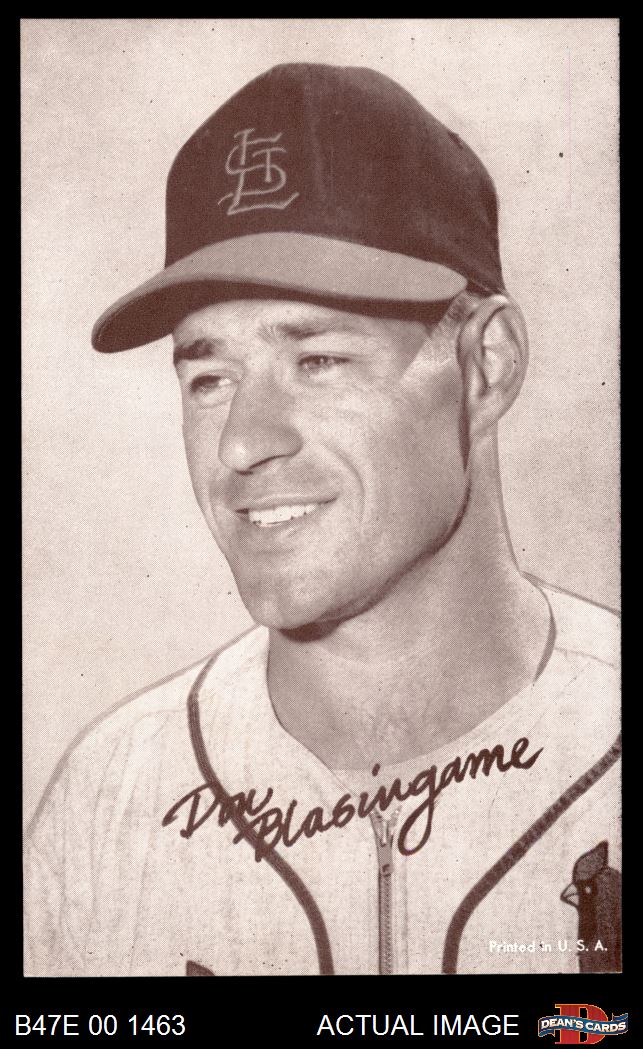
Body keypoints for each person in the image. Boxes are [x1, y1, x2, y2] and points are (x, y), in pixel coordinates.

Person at [24, 63, 620, 977]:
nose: (241, 443)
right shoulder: (108, 802)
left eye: (319, 360)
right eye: (209, 377)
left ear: (486, 367)